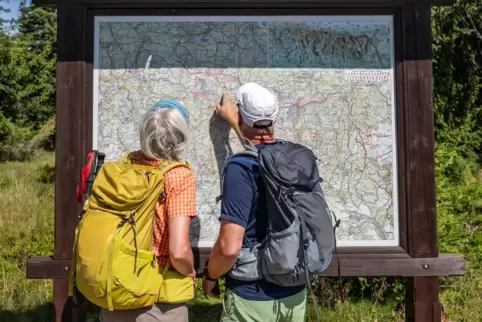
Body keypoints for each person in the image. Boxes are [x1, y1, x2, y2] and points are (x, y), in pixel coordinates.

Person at [202, 84, 308, 322]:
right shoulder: (293, 159)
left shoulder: (240, 169)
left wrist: (210, 276)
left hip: (252, 297)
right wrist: (237, 123)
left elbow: (230, 247)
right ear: (275, 118)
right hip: (295, 295)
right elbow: (262, 153)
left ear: (240, 116)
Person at [101, 99, 197, 322]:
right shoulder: (179, 176)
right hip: (159, 299)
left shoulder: (124, 168)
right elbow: (179, 251)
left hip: (118, 288)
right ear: (181, 137)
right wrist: (190, 271)